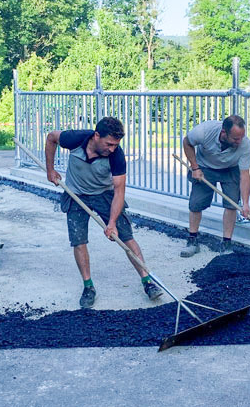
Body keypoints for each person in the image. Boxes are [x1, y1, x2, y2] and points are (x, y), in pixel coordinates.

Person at [45, 117, 163, 308]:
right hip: (76, 194)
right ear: (96, 135)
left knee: (126, 237)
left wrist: (112, 223)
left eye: (116, 145)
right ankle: (88, 286)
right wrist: (50, 170)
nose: (112, 148)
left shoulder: (116, 156)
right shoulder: (75, 139)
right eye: (109, 144)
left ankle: (147, 281)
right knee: (78, 240)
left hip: (105, 194)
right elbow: (51, 137)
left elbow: (119, 191)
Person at [179, 115, 250, 257]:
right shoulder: (204, 131)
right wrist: (195, 168)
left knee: (232, 204)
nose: (239, 142)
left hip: (230, 169)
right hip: (205, 167)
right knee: (196, 204)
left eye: (241, 138)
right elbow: (187, 142)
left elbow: (245, 175)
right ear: (224, 133)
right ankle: (192, 240)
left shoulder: (244, 143)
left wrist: (245, 204)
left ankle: (226, 243)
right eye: (236, 139)